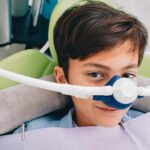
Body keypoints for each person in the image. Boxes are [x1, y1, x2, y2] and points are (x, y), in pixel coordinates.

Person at [14, 0, 148, 132]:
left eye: (128, 75)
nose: (117, 93)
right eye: (95, 74)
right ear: (62, 78)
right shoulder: (32, 137)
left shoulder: (144, 128)